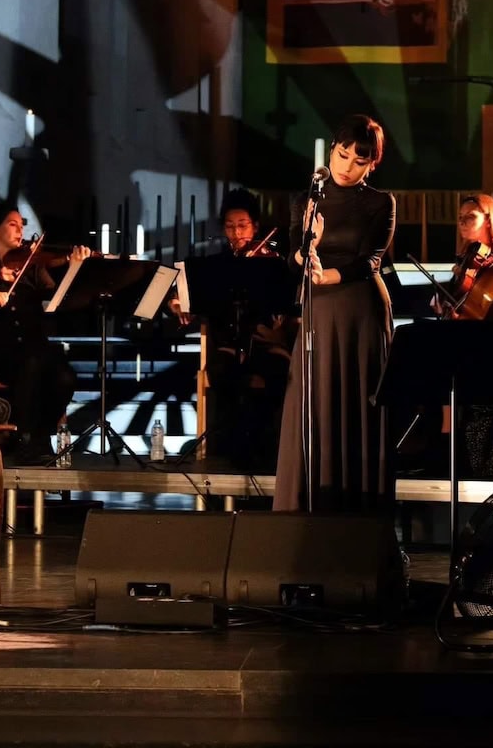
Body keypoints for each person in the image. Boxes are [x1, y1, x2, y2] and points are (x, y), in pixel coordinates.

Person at [273, 115, 396, 512]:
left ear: (371, 164)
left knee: (358, 402)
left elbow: (370, 261)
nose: (346, 166)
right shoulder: (307, 199)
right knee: (313, 398)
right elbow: (293, 258)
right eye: (342, 155)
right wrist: (305, 252)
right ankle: (306, 508)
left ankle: (360, 509)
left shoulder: (380, 202)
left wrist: (325, 275)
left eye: (358, 160)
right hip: (319, 311)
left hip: (360, 309)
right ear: (331, 151)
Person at [0, 202, 91, 464]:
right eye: (12, 224)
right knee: (34, 362)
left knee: (65, 376)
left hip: (33, 349)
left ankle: (37, 436)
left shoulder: (32, 268)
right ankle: (26, 439)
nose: (20, 231)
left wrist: (73, 268)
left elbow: (56, 301)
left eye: (22, 226)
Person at [169, 188, 293, 467]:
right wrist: (178, 305)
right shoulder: (216, 267)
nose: (237, 234)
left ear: (256, 226)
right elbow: (182, 297)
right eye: (230, 227)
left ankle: (269, 449)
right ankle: (229, 448)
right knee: (224, 372)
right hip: (227, 344)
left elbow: (288, 307)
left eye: (243, 226)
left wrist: (279, 331)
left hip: (267, 344)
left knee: (278, 372)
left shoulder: (273, 264)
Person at [431, 194, 493, 478]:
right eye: (460, 218)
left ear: (489, 220)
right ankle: (444, 444)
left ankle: (448, 447)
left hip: (491, 348)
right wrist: (446, 305)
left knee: (443, 362)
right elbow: (462, 306)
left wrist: (462, 316)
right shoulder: (468, 262)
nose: (462, 223)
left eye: (471, 217)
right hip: (467, 343)